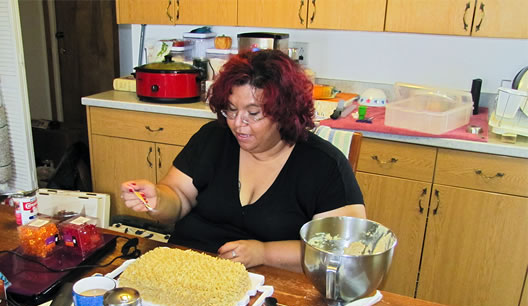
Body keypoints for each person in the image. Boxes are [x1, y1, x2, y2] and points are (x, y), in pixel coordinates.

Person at [121, 50, 365, 272]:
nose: (238, 123)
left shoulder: (324, 165)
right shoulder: (213, 138)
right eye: (231, 109)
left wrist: (264, 253)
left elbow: (343, 249)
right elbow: (178, 195)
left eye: (253, 113)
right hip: (189, 267)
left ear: (284, 112)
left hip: (270, 283)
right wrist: (158, 199)